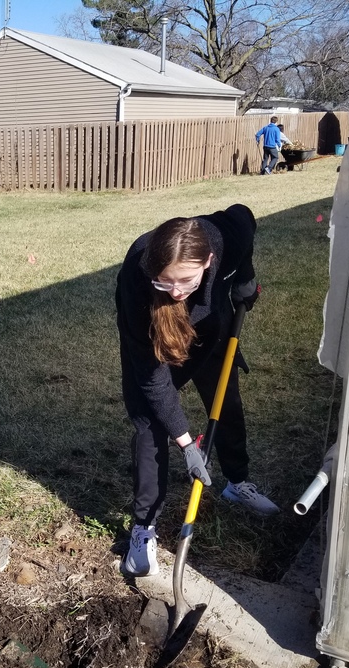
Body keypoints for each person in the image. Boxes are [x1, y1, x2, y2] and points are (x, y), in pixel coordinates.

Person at [115, 204, 279, 577]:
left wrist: (244, 283)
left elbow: (244, 216)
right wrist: (187, 443)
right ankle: (144, 529)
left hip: (209, 331)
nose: (175, 291)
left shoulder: (225, 235)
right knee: (150, 422)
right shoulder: (139, 283)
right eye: (166, 281)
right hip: (156, 339)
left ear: (208, 260)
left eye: (186, 280)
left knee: (226, 397)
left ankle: (237, 482)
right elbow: (153, 379)